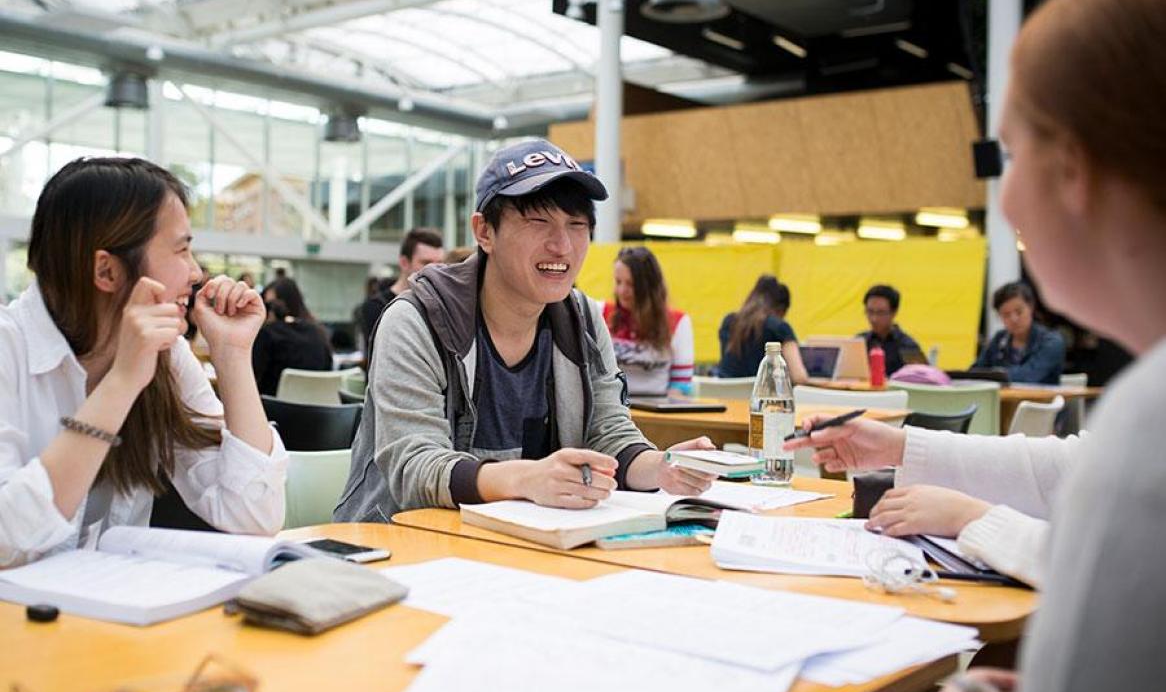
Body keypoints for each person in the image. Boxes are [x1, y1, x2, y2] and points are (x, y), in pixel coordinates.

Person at [788, 0, 1166, 692]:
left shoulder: (1149, 418)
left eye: (1010, 154)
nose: (1006, 194)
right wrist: (902, 443)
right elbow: (1079, 470)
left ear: (1076, 172)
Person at [334, 138, 714, 522]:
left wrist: (664, 467)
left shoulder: (581, 319)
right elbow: (415, 468)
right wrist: (527, 478)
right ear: (485, 232)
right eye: (539, 221)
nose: (561, 245)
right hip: (401, 545)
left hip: (522, 543)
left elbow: (609, 432)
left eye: (577, 225)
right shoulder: (418, 320)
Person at [0, 157, 286, 569]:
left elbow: (255, 517)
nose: (196, 272)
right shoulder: (10, 347)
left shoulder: (168, 355)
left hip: (106, 613)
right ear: (107, 271)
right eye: (181, 249)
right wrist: (121, 384)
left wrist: (233, 356)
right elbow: (8, 537)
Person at [603, 246, 694, 396]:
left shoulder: (678, 322)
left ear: (649, 287)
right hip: (609, 410)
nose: (621, 291)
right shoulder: (601, 313)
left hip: (656, 411)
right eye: (618, 282)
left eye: (631, 284)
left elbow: (681, 384)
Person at [358, 227, 445, 347]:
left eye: (440, 263)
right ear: (404, 263)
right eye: (426, 263)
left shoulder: (442, 305)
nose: (435, 269)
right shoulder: (375, 307)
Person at [717, 275, 808, 383]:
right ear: (781, 310)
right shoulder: (779, 328)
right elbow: (799, 377)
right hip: (763, 397)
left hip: (726, 397)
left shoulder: (728, 322)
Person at [252, 277, 333, 397]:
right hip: (320, 412)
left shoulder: (267, 334)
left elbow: (250, 379)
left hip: (273, 411)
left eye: (270, 305)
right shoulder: (318, 332)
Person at [972, 280, 1065, 383]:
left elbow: (1030, 375)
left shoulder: (1051, 341)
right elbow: (976, 372)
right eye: (1006, 315)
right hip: (1003, 398)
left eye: (1019, 312)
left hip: (1041, 398)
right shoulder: (999, 340)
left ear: (1031, 307)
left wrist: (995, 374)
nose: (1014, 319)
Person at [857, 284, 925, 376]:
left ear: (894, 312)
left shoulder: (908, 345)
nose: (874, 319)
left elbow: (922, 378)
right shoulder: (859, 342)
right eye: (870, 311)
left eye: (880, 313)